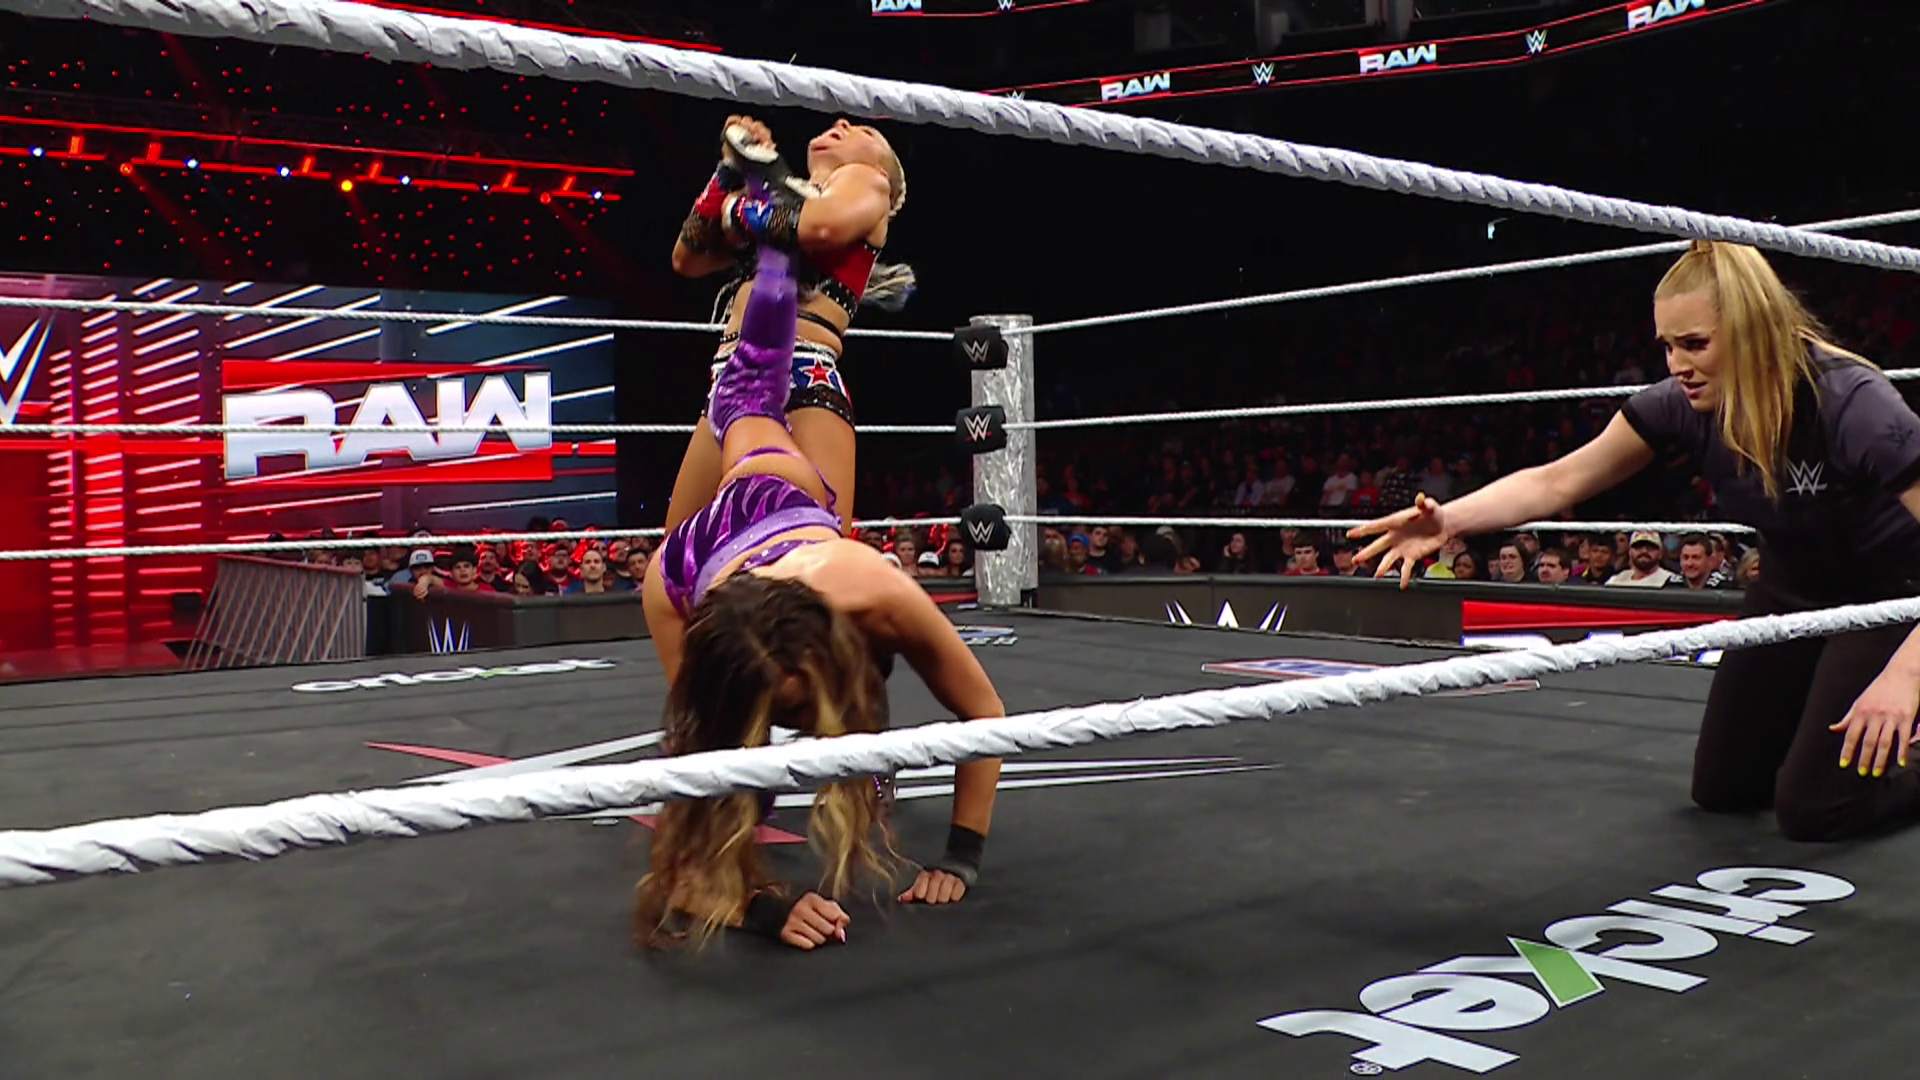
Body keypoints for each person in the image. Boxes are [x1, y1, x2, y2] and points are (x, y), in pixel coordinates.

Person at [1350, 240, 1920, 842]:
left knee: (1814, 808)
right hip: (1791, 587)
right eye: (1667, 346)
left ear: (1754, 333)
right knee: (1723, 788)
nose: (1678, 365)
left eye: (1695, 344)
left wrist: (1906, 675)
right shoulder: (1683, 404)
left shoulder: (1851, 403)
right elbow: (1559, 479)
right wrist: (1449, 521)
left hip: (1892, 595)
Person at [637, 218, 1002, 953]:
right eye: (787, 709)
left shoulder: (873, 587)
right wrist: (757, 903)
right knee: (718, 761)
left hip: (772, 477)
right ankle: (775, 249)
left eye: (797, 705)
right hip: (694, 564)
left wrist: (961, 858)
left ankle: (777, 249)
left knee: (753, 385)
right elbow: (690, 839)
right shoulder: (678, 596)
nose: (796, 723)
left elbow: (984, 714)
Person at [669, 115, 914, 536]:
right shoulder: (773, 203)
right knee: (681, 551)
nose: (843, 122)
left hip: (800, 375)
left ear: (882, 170)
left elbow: (822, 225)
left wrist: (736, 208)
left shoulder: (868, 180)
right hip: (729, 377)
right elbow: (687, 257)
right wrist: (730, 169)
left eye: (866, 132)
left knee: (817, 545)